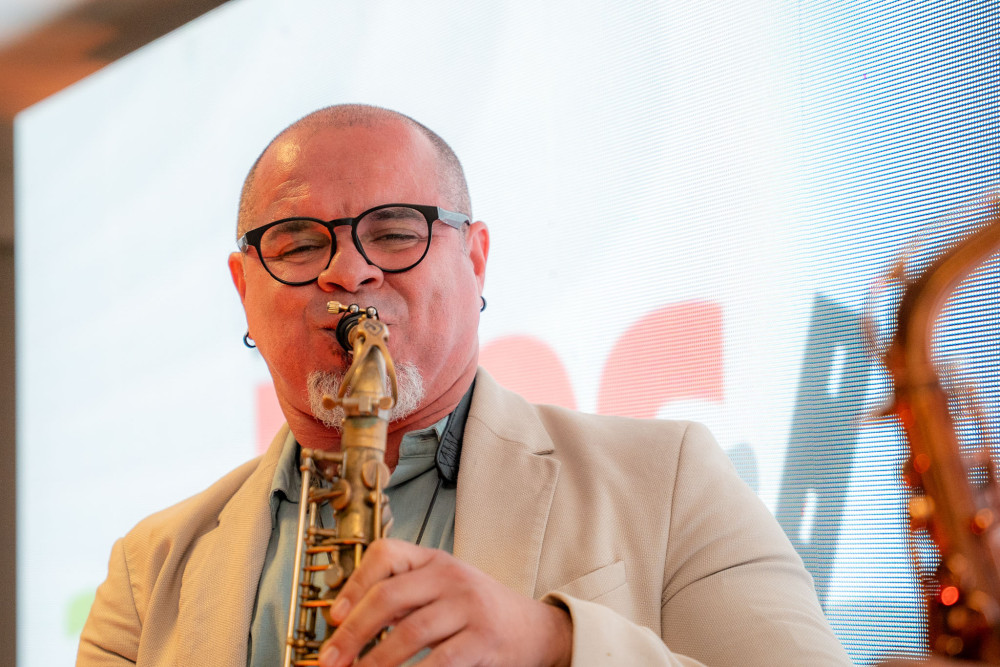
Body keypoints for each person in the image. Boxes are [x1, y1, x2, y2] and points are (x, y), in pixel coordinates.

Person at [77, 104, 851, 666]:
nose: (349, 271)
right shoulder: (150, 568)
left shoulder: (672, 475)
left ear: (475, 260)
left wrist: (557, 643)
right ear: (244, 287)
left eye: (394, 232)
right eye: (299, 244)